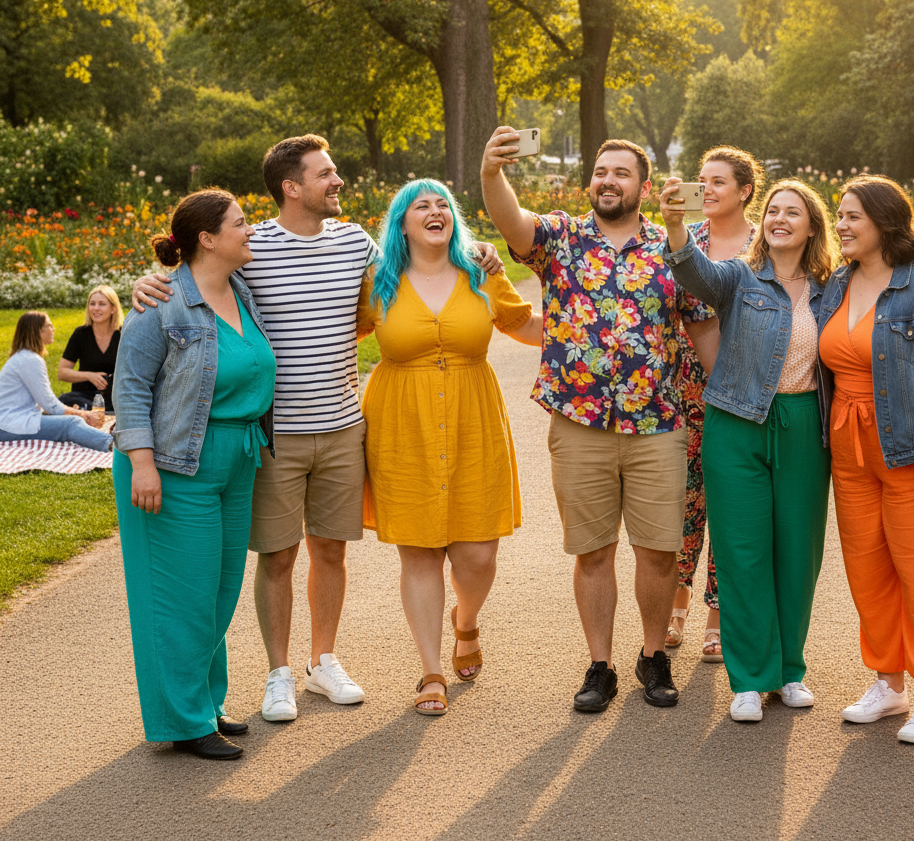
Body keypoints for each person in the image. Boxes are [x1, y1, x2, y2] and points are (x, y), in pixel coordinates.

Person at [133, 134, 503, 723]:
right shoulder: (254, 249)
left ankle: (322, 661)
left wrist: (475, 247)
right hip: (275, 433)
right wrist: (146, 283)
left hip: (343, 427)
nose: (338, 183)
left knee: (330, 551)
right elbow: (202, 277)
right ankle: (278, 673)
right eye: (326, 174)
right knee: (276, 556)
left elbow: (418, 268)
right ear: (292, 187)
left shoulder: (356, 242)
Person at [481, 129, 687, 714]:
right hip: (580, 423)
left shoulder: (674, 245)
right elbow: (511, 222)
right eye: (601, 171)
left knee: (658, 551)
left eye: (621, 173)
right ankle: (601, 665)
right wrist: (492, 173)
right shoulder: (561, 238)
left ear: (644, 187)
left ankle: (653, 655)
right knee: (593, 551)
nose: (608, 180)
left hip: (657, 423)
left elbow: (701, 321)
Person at [357, 179, 541, 715]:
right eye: (422, 206)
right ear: (402, 224)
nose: (435, 211)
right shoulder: (378, 281)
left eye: (444, 204)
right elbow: (338, 332)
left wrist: (586, 325)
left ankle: (467, 621)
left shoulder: (480, 273)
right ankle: (430, 671)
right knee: (418, 550)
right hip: (402, 426)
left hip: (472, 420)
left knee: (477, 552)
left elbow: (522, 323)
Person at [661, 178, 840, 723]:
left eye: (793, 212)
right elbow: (695, 272)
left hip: (805, 423)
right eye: (773, 210)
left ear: (812, 226)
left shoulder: (834, 286)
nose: (780, 219)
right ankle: (748, 677)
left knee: (797, 552)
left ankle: (788, 671)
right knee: (742, 552)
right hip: (736, 423)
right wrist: (674, 225)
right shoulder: (740, 276)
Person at [113, 189, 277, 760]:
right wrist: (141, 463)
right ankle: (182, 722)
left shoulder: (242, 290)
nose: (249, 230)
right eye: (240, 223)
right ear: (207, 238)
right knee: (179, 596)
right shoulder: (160, 303)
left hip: (238, 457)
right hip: (174, 464)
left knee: (218, 589)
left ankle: (205, 703)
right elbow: (128, 386)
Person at [820, 175, 914, 745]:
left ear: (885, 221)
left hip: (913, 451)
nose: (842, 225)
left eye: (853, 216)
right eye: (839, 214)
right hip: (850, 453)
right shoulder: (837, 284)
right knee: (869, 571)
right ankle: (888, 683)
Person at [665, 147, 762, 662]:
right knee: (682, 502)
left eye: (718, 181)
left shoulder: (763, 247)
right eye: (701, 180)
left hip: (742, 392)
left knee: (729, 504)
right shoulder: (683, 240)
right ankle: (675, 608)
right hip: (681, 391)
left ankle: (716, 618)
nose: (706, 190)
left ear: (745, 190)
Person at [0, 312, 112, 451]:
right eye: (48, 325)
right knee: (71, 423)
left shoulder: (24, 357)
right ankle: (115, 446)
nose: (53, 328)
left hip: (11, 422)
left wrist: (71, 411)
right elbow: (51, 406)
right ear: (37, 331)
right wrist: (83, 414)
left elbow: (43, 404)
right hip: (10, 426)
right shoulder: (30, 360)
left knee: (71, 417)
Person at [57, 285, 123, 412]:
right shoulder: (81, 334)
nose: (96, 308)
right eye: (92, 304)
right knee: (64, 400)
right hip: (83, 395)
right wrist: (89, 376)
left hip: (115, 396)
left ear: (113, 308)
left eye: (102, 304)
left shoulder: (123, 334)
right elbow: (62, 372)